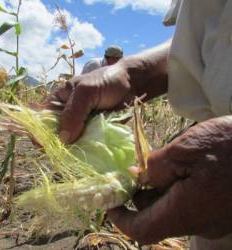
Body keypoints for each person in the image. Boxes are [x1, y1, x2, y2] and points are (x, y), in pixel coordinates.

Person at [47, 0, 232, 249]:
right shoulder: (93, 64)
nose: (114, 60)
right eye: (112, 58)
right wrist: (136, 72)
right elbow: (209, 35)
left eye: (118, 58)